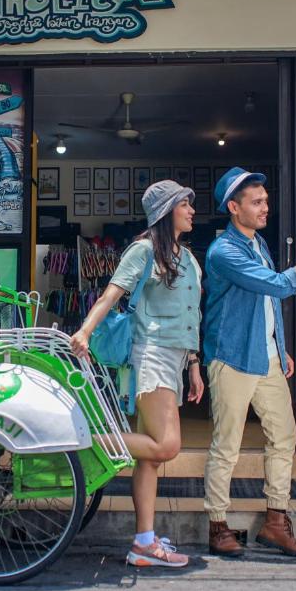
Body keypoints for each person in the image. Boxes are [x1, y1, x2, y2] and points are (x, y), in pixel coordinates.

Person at [202, 167, 296, 558]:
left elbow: (268, 301)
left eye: (265, 200)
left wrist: (280, 347)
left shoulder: (258, 242)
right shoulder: (224, 251)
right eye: (256, 202)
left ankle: (276, 523)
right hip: (231, 357)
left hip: (267, 357)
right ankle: (218, 525)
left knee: (284, 436)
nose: (266, 207)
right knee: (226, 445)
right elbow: (279, 285)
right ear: (233, 207)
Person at [70, 180, 205, 569]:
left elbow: (190, 316)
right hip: (152, 357)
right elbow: (111, 294)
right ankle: (82, 441)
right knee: (166, 446)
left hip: (176, 359)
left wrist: (194, 366)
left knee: (150, 457)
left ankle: (144, 543)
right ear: (166, 211)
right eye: (185, 204)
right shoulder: (144, 251)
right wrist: (85, 330)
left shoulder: (187, 257)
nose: (192, 210)